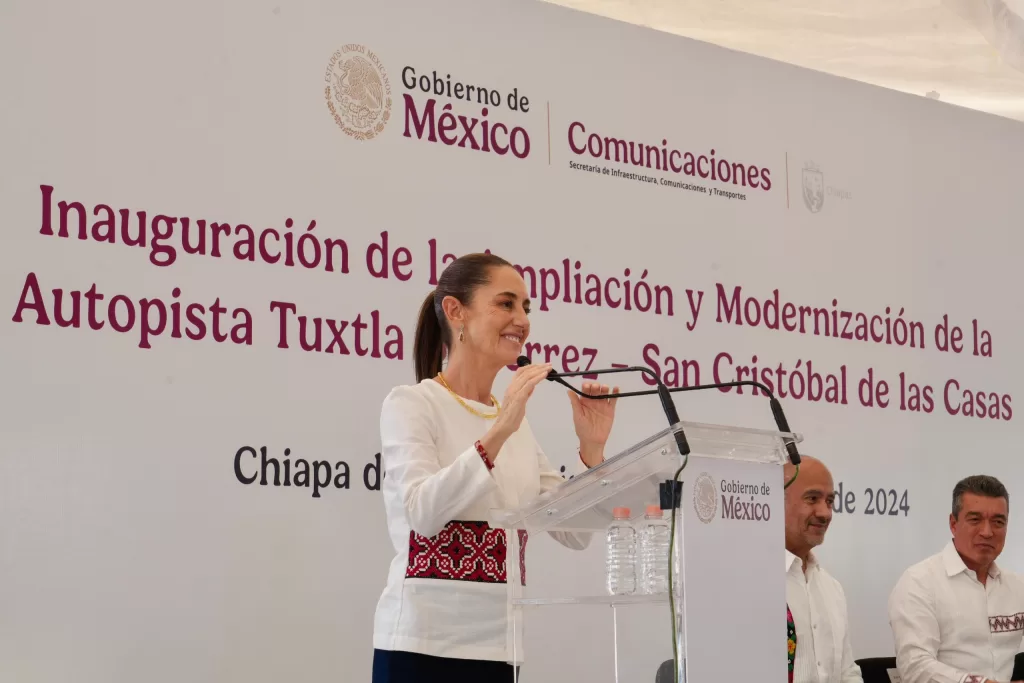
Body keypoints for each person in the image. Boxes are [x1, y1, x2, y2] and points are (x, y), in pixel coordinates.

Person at [371, 253, 620, 683]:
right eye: (506, 304)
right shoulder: (413, 404)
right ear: (455, 311)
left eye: (526, 307)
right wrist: (500, 429)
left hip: (500, 648)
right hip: (422, 645)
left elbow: (575, 532)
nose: (521, 320)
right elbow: (422, 513)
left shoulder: (513, 425)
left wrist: (592, 452)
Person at [888, 475, 1024, 683]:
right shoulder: (919, 582)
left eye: (998, 522)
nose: (987, 532)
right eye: (975, 519)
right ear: (953, 523)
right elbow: (915, 667)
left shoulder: (1017, 587)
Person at [784, 455, 863, 683]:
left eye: (829, 501)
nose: (825, 513)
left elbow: (847, 672)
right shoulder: (747, 581)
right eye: (812, 498)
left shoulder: (831, 588)